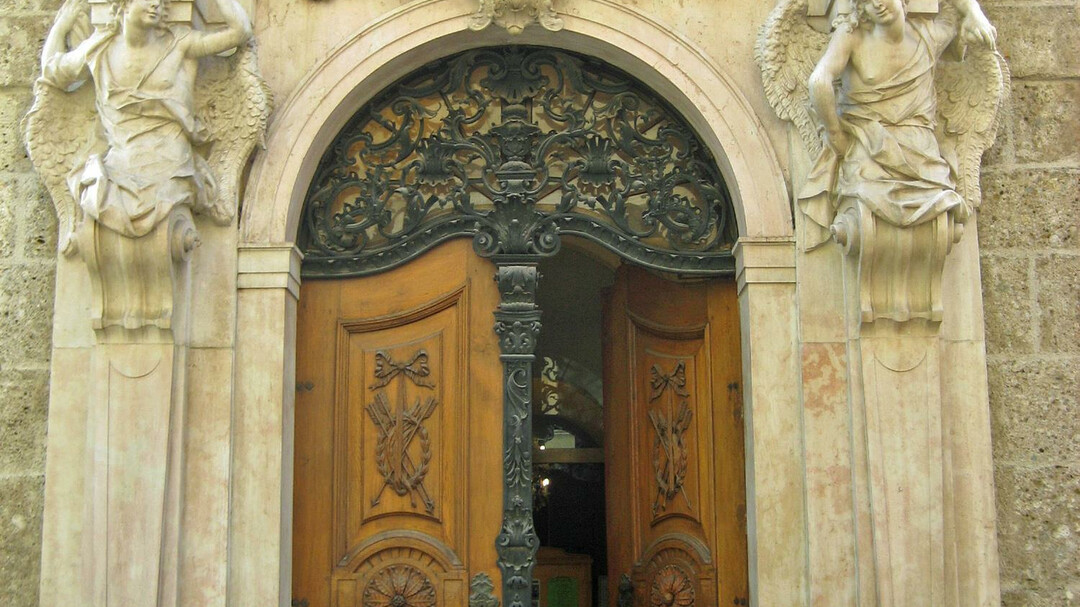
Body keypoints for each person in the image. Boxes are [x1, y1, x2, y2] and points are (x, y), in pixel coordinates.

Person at [39, 0, 252, 238]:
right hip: (120, 163)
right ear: (124, 5)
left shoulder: (179, 44)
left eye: (160, 1)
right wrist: (62, 25)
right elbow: (52, 71)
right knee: (97, 196)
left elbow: (239, 32)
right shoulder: (98, 49)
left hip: (171, 163)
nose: (156, 5)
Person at [799, 0, 997, 249]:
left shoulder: (928, 36)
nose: (878, 4)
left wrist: (974, 12)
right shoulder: (852, 36)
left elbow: (954, 12)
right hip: (870, 148)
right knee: (868, 196)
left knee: (939, 203)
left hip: (921, 156)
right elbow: (819, 81)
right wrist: (835, 132)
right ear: (861, 10)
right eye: (868, 2)